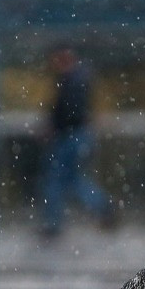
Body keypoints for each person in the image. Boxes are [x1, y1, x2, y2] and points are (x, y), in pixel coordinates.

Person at [38, 43, 116, 237]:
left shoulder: (73, 79)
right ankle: (102, 208)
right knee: (71, 180)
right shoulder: (78, 78)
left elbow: (68, 111)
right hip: (75, 135)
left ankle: (54, 223)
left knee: (58, 180)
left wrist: (54, 126)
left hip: (70, 136)